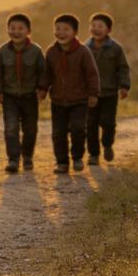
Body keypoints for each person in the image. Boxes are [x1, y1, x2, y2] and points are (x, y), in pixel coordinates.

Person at [42, 13, 100, 174]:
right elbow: (47, 74)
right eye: (58, 29)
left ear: (75, 32)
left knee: (78, 128)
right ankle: (62, 162)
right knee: (58, 132)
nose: (61, 32)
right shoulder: (51, 52)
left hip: (79, 100)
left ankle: (77, 157)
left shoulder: (83, 51)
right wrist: (42, 89)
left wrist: (93, 94)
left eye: (65, 29)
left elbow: (92, 74)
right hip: (58, 100)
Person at [0, 13, 46, 173]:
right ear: (7, 30)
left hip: (30, 97)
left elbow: (43, 72)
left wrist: (42, 89)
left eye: (20, 28)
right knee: (11, 128)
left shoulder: (36, 51)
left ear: (28, 31)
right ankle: (13, 159)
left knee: (30, 129)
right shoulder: (3, 51)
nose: (16, 31)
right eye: (12, 28)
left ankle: (27, 156)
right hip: (9, 97)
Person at [85, 12, 132, 164]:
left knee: (108, 122)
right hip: (91, 94)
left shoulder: (116, 49)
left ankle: (107, 145)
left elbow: (123, 68)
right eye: (93, 26)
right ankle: (93, 154)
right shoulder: (84, 48)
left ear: (108, 30)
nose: (96, 29)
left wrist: (124, 86)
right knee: (90, 124)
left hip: (110, 92)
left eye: (100, 26)